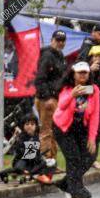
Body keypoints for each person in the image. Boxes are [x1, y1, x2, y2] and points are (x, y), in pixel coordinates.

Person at [52, 62, 100, 198]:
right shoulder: (67, 88)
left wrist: (92, 138)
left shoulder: (93, 90)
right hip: (63, 127)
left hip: (81, 128)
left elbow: (95, 115)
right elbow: (61, 105)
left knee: (90, 156)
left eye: (85, 72)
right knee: (73, 159)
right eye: (79, 73)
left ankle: (65, 183)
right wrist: (72, 95)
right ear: (73, 74)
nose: (82, 75)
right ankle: (76, 194)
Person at [0, 114, 55, 184]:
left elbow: (34, 156)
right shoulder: (22, 137)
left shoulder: (36, 138)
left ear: (36, 126)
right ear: (23, 126)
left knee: (51, 162)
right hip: (22, 160)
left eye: (32, 124)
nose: (29, 126)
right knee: (18, 168)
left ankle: (39, 175)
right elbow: (25, 154)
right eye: (27, 124)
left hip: (33, 162)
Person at [33, 30, 67, 160]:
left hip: (55, 97)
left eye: (63, 41)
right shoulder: (48, 56)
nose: (60, 43)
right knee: (47, 131)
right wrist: (47, 98)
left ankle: (51, 160)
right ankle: (46, 161)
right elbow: (39, 79)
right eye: (58, 40)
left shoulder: (59, 56)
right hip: (47, 99)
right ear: (52, 40)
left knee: (53, 131)